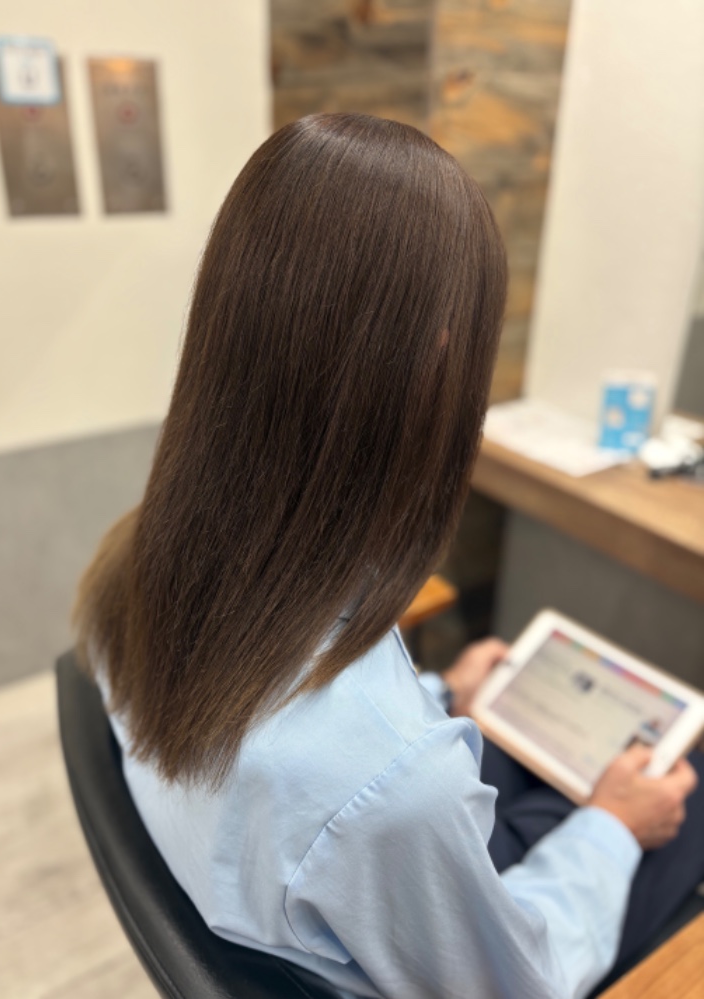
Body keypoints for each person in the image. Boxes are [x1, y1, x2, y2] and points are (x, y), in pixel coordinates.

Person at [74, 113, 703, 999]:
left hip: (303, 891)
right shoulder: (392, 783)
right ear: (438, 366)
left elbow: (294, 751)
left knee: (544, 757)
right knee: (684, 783)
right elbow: (519, 984)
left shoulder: (133, 559)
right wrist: (611, 827)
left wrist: (439, 697)